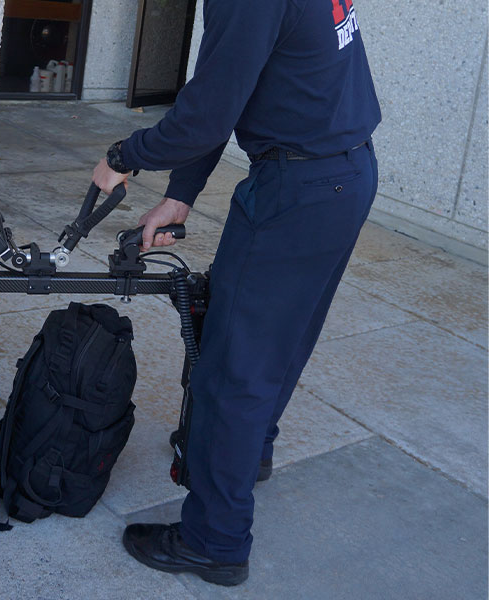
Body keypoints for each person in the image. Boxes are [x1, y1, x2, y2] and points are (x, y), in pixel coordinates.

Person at [92, 0, 381, 587]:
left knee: (232, 368)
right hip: (344, 174)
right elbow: (230, 87)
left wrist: (123, 157)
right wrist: (182, 192)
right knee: (281, 339)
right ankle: (252, 453)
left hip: (296, 191)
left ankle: (214, 541)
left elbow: (205, 115)